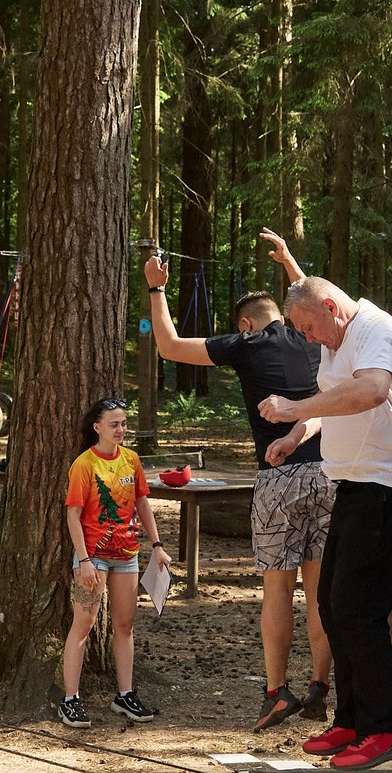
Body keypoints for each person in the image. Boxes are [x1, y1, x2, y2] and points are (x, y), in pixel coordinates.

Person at [142, 239, 333, 732]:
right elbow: (309, 295)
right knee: (318, 594)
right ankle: (319, 689)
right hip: (329, 474)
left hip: (277, 478)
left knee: (277, 589)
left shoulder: (247, 344)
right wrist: (292, 261)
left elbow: (168, 346)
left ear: (246, 323)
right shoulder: (314, 340)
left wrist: (156, 288)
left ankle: (276, 691)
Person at [259, 278, 392, 770]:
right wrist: (298, 432)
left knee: (359, 610)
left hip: (388, 487)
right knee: (331, 604)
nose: (309, 339)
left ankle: (383, 729)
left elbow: (371, 391)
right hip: (353, 484)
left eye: (310, 328)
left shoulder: (375, 327)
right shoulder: (337, 339)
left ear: (331, 308)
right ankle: (350, 720)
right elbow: (336, 402)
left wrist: (298, 407)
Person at [58, 397, 168, 728]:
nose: (120, 430)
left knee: (125, 625)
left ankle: (124, 694)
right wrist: (85, 559)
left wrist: (157, 545)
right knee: (84, 624)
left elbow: (142, 504)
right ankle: (70, 699)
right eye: (113, 424)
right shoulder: (84, 465)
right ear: (97, 428)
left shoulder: (132, 461)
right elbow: (73, 516)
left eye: (123, 423)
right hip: (93, 558)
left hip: (127, 556)